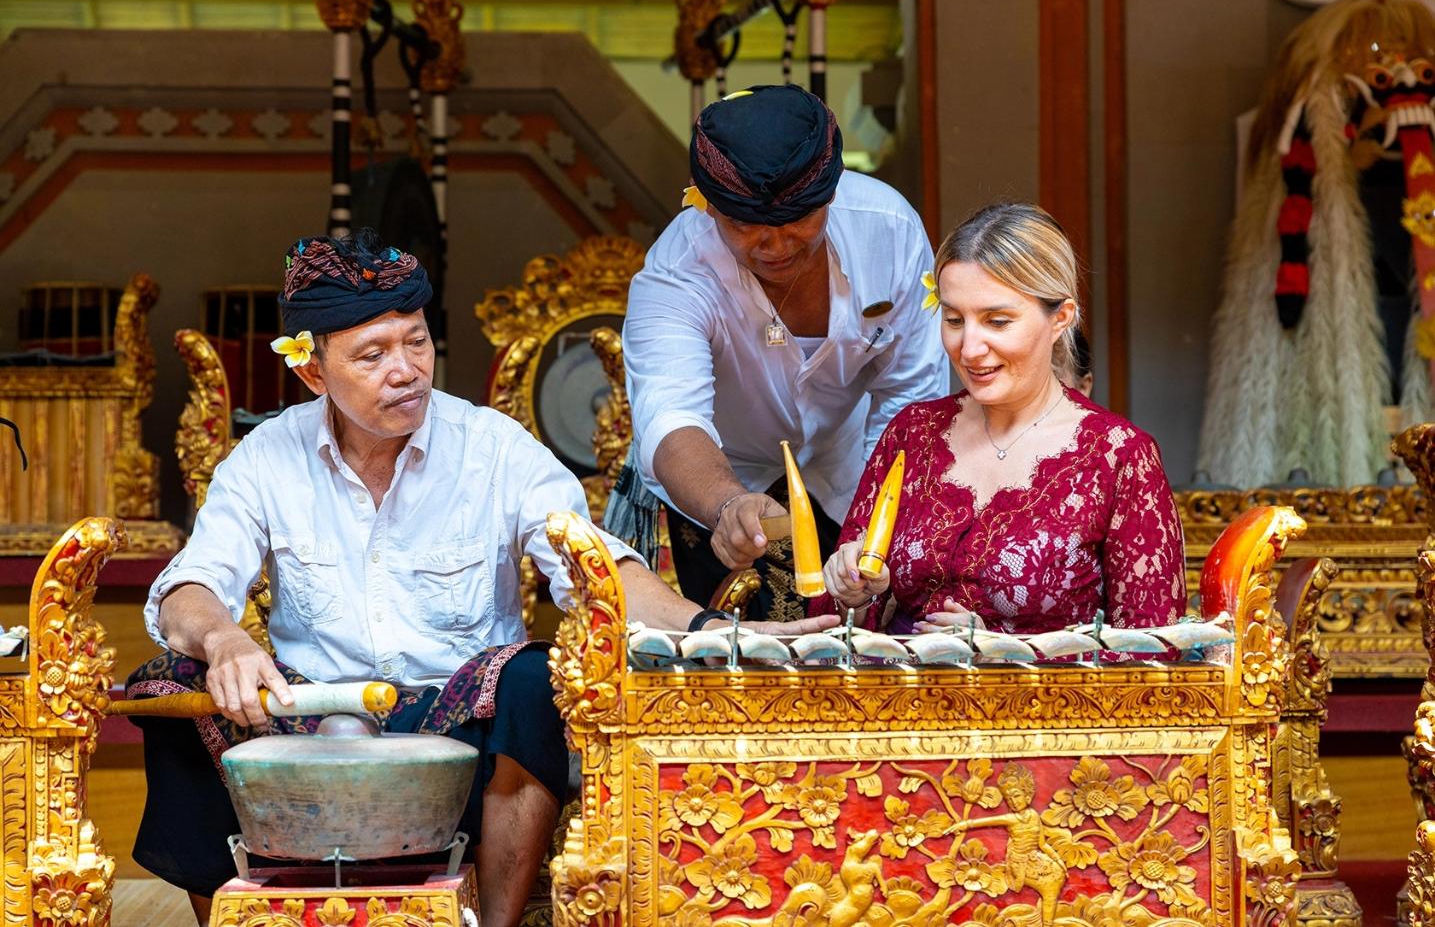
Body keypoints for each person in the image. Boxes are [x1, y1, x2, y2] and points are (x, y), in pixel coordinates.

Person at [127, 230, 836, 927]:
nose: (404, 369)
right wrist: (223, 639)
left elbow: (599, 573)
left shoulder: (493, 447)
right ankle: (237, 919)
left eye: (415, 341)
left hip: (461, 743)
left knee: (531, 677)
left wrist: (721, 635)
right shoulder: (265, 459)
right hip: (310, 730)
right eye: (372, 355)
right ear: (313, 371)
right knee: (173, 678)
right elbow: (190, 586)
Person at [617, 84, 946, 621]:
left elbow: (910, 398)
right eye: (744, 227)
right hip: (720, 483)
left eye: (798, 221)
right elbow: (672, 417)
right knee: (726, 663)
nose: (774, 246)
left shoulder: (889, 232)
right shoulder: (675, 273)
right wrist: (727, 504)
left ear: (831, 195)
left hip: (857, 468)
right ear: (709, 208)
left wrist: (873, 527)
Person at [817, 203, 1184, 634]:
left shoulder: (1119, 457)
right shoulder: (912, 434)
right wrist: (855, 597)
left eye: (997, 321)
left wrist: (1005, 655)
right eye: (954, 319)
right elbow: (834, 628)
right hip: (901, 700)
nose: (969, 348)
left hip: (1044, 703)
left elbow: (1154, 654)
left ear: (1060, 318)